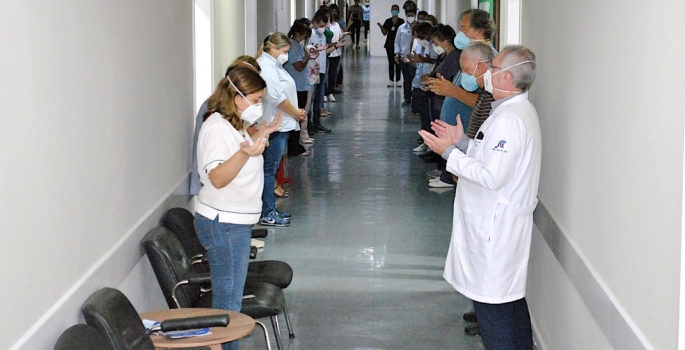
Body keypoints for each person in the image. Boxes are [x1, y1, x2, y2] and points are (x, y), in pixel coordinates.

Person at [419, 45, 540, 350]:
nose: (486, 73)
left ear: (508, 77)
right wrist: (460, 142)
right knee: (509, 304)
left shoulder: (510, 120)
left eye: (493, 68)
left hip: (495, 231)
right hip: (498, 227)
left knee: (494, 314)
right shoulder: (509, 111)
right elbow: (490, 156)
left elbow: (492, 176)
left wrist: (447, 153)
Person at [195, 66, 281, 350]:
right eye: (255, 100)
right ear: (236, 96)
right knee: (229, 303)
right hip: (224, 224)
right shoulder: (216, 128)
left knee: (230, 298)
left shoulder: (233, 124)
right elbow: (218, 178)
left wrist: (260, 135)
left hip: (235, 223)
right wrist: (246, 152)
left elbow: (240, 157)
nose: (258, 106)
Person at [190, 56, 261, 197]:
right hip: (219, 202)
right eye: (255, 99)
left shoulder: (236, 114)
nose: (259, 105)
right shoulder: (215, 119)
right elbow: (217, 175)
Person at [256, 32, 306, 227]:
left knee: (271, 169)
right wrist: (296, 113)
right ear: (273, 48)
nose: (286, 55)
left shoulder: (275, 65)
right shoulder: (266, 67)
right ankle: (266, 212)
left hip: (280, 124)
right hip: (273, 124)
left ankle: (270, 209)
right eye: (284, 51)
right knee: (268, 170)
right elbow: (276, 98)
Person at [284, 20, 315, 154]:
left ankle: (296, 144)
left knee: (298, 116)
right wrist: (307, 56)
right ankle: (294, 146)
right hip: (296, 87)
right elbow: (299, 66)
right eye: (303, 35)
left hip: (300, 85)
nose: (304, 39)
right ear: (297, 33)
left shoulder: (296, 46)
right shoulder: (293, 47)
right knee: (296, 116)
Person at [308, 14, 334, 133]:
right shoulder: (310, 35)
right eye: (321, 26)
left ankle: (317, 122)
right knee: (311, 98)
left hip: (322, 69)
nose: (323, 28)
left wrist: (335, 47)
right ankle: (309, 124)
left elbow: (324, 51)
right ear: (314, 23)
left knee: (319, 98)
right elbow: (310, 52)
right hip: (312, 70)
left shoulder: (322, 35)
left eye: (325, 26)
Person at [394, 1, 417, 106]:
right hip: (404, 57)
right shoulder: (401, 28)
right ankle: (407, 98)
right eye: (408, 15)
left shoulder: (419, 28)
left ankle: (416, 100)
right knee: (406, 79)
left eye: (412, 15)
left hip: (416, 58)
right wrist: (397, 54)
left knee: (416, 80)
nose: (410, 17)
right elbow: (397, 42)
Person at [377, 4, 404, 87]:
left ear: (399, 11)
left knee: (398, 62)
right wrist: (381, 27)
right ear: (391, 11)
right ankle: (391, 79)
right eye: (393, 9)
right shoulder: (388, 21)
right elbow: (385, 33)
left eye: (396, 9)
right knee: (391, 62)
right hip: (389, 44)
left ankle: (398, 79)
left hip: (399, 45)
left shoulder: (401, 21)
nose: (394, 11)